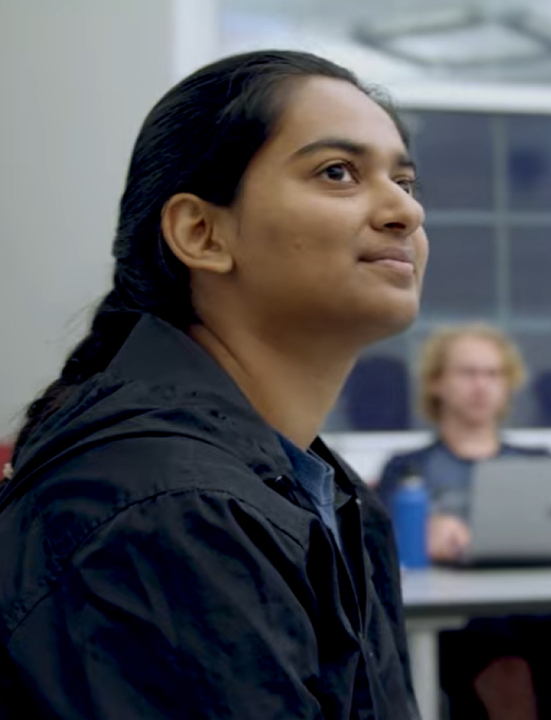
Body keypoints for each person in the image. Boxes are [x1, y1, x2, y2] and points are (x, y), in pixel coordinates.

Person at [0, 51, 424, 717]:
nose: (404, 210)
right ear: (201, 233)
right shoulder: (169, 506)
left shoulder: (325, 494)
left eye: (405, 180)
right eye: (338, 172)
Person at [378, 324, 551, 720]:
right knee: (503, 664)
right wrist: (424, 537)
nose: (481, 385)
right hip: (467, 623)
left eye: (493, 374)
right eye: (468, 373)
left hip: (546, 611)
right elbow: (386, 549)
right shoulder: (408, 471)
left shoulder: (542, 463)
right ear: (437, 383)